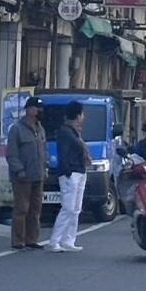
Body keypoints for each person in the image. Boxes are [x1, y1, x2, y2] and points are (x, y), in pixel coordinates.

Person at [6, 96, 49, 250]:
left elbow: (44, 150)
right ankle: (18, 240)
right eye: (38, 108)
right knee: (21, 208)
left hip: (38, 174)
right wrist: (19, 170)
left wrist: (46, 166)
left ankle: (32, 239)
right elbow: (11, 153)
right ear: (29, 110)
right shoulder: (17, 129)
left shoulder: (40, 129)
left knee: (35, 209)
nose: (40, 111)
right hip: (23, 176)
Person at [47, 101, 89, 253]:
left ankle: (69, 240)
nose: (83, 116)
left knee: (76, 209)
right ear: (78, 115)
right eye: (82, 113)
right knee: (68, 208)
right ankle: (54, 241)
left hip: (80, 171)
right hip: (70, 173)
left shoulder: (75, 131)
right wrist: (68, 172)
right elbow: (63, 154)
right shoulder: (65, 132)